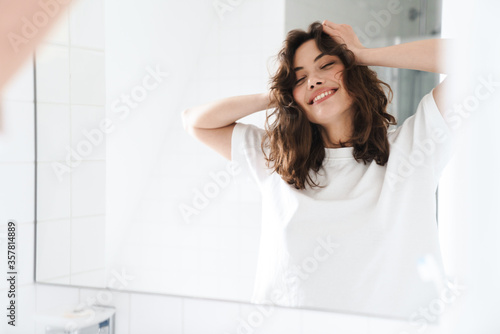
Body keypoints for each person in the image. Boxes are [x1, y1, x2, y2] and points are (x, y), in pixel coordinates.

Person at [182, 21, 455, 318]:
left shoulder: (414, 148)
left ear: (352, 70)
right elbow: (195, 121)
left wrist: (362, 53)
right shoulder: (277, 161)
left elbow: (475, 58)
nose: (313, 81)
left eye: (326, 65)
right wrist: (277, 95)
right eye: (299, 80)